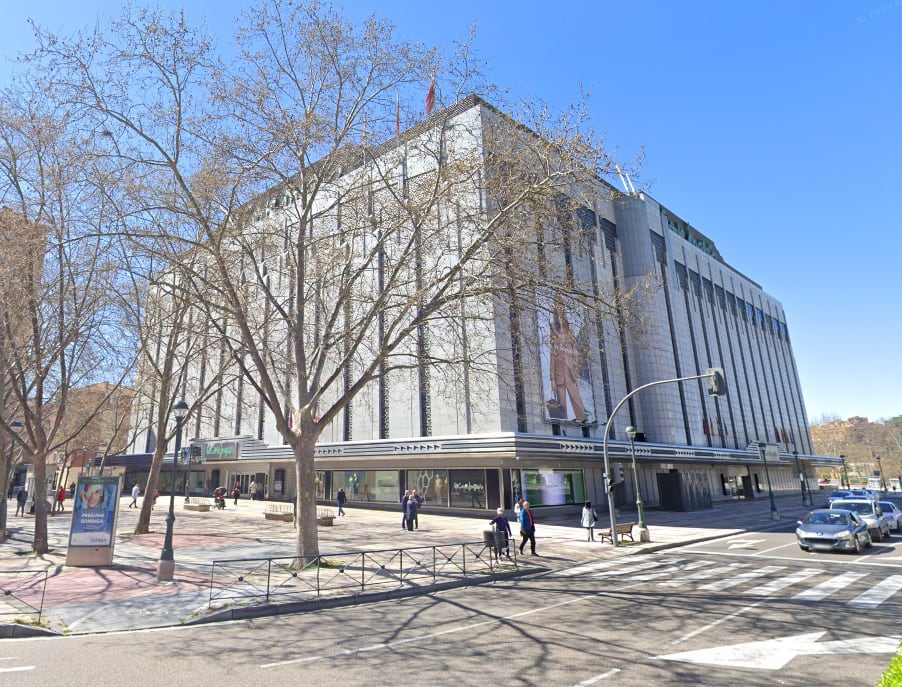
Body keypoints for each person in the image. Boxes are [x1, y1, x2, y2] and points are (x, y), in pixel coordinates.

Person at [549, 296, 587, 422]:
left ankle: (583, 420)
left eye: (561, 306)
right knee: (562, 404)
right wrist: (552, 378)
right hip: (559, 372)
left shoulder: (570, 329)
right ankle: (564, 424)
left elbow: (575, 353)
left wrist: (576, 375)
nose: (559, 309)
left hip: (570, 372)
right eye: (557, 306)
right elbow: (552, 354)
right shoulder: (552, 328)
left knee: (576, 399)